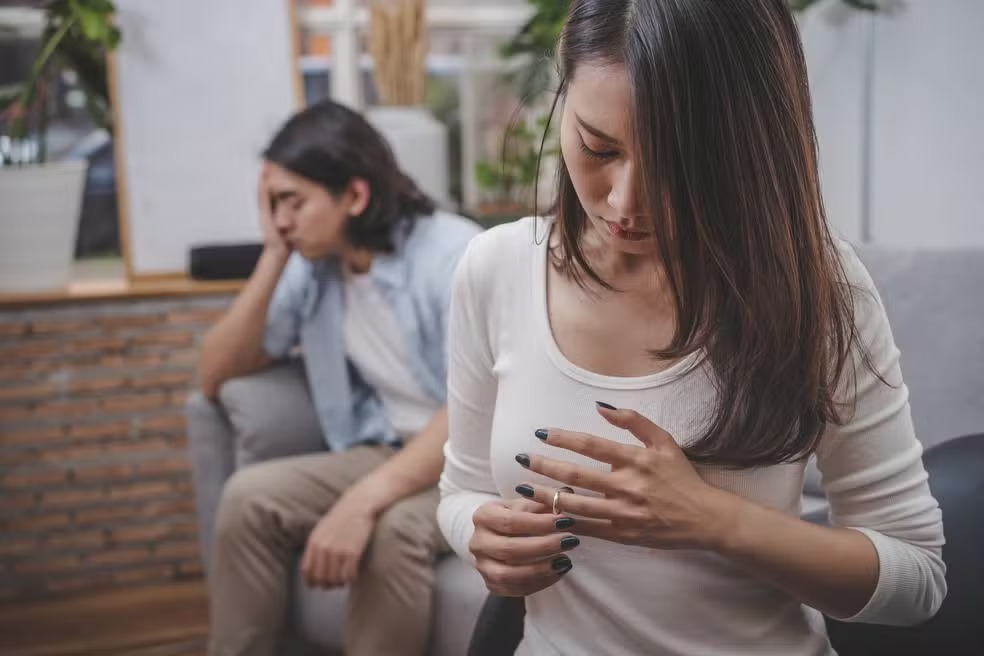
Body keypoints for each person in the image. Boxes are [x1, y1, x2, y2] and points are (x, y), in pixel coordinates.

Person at [437, 1, 947, 654]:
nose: (624, 203)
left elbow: (917, 578)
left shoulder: (816, 285)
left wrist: (713, 521)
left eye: (679, 167)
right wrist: (483, 532)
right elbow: (461, 493)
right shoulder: (495, 270)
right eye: (598, 147)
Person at [194, 99, 480, 656]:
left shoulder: (454, 257)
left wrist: (363, 501)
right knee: (247, 499)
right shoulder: (315, 264)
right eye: (272, 204)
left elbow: (472, 407)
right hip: (392, 446)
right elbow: (214, 374)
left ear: (355, 195)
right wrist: (274, 254)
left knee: (393, 530)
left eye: (292, 202)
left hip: (475, 460)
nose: (280, 219)